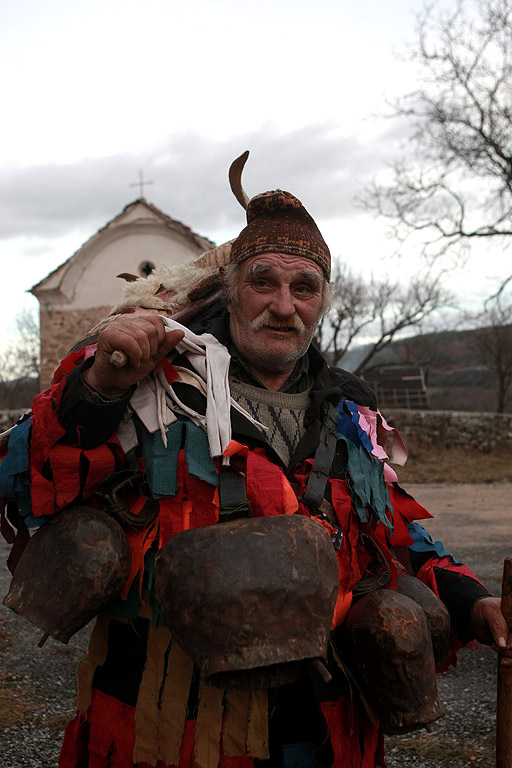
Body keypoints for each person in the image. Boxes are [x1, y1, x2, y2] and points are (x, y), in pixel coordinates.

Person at [1, 168, 511, 768]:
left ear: (322, 300)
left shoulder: (347, 406)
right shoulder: (152, 383)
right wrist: (98, 388)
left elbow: (389, 527)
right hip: (170, 726)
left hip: (324, 720)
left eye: (305, 287)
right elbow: (21, 488)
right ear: (231, 287)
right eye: (263, 281)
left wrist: (470, 598)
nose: (283, 305)